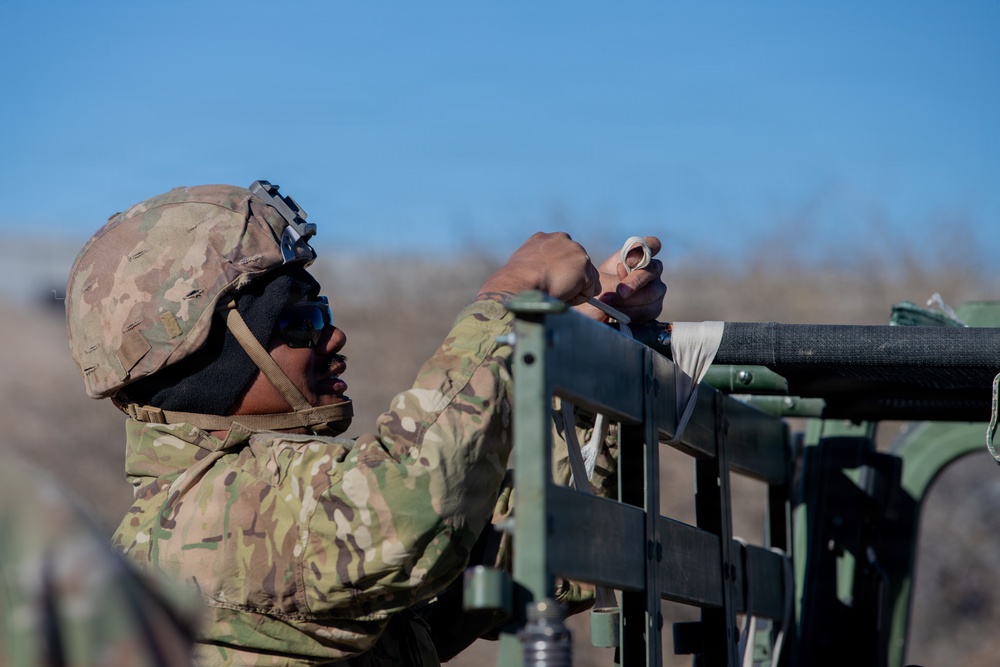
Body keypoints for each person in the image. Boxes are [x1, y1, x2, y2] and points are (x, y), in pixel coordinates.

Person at [65, 181, 665, 666]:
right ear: (213, 363)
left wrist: (589, 349)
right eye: (300, 321)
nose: (334, 336)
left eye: (323, 312)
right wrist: (511, 298)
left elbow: (531, 540)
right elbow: (410, 509)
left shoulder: (304, 520)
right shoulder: (189, 526)